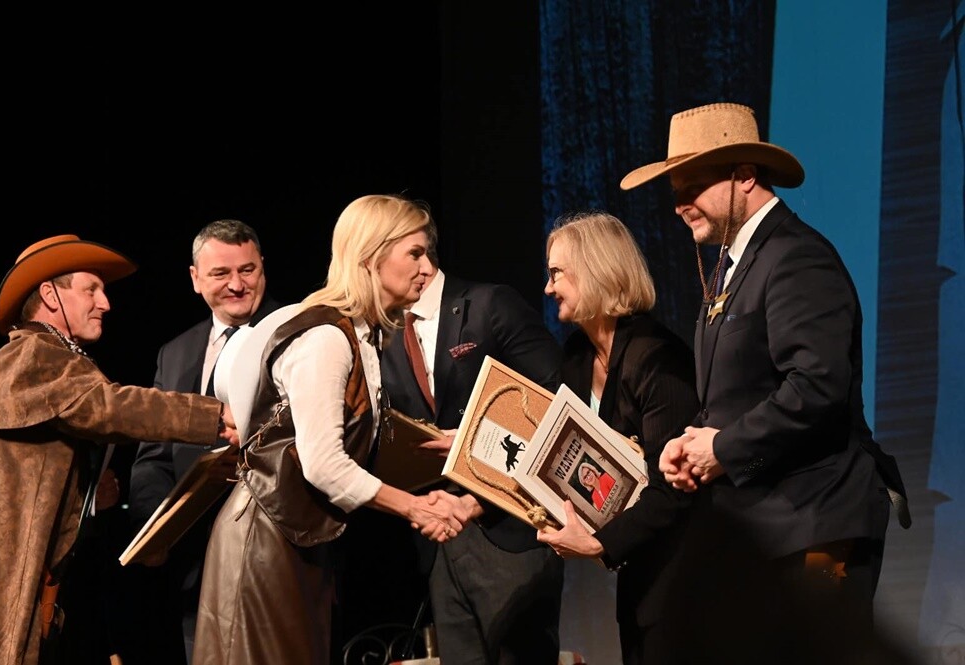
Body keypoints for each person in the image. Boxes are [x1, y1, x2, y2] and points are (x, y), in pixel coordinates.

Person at [623, 103, 909, 640]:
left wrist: (723, 448)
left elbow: (817, 387)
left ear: (745, 176)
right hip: (768, 528)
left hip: (821, 525)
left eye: (692, 187)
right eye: (675, 191)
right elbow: (737, 395)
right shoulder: (738, 265)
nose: (680, 205)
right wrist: (692, 444)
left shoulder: (797, 257)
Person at [191, 194, 476, 665]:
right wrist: (416, 508)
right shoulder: (326, 336)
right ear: (370, 256)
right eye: (415, 253)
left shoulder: (360, 335)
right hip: (266, 542)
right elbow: (324, 464)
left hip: (298, 541)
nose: (428, 268)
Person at [0, 234, 240, 665]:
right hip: (15, 594)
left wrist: (91, 499)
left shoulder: (46, 359)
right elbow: (111, 407)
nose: (105, 303)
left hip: (52, 591)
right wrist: (215, 414)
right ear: (49, 295)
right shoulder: (34, 356)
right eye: (91, 289)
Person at [379, 219, 565, 665]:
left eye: (420, 252)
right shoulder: (382, 335)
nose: (421, 263)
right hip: (440, 536)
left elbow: (555, 408)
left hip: (509, 528)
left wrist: (469, 441)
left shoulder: (489, 305)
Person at [534, 211, 700, 665]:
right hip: (639, 578)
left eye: (556, 274)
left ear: (593, 270)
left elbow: (675, 491)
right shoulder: (575, 357)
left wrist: (599, 545)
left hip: (687, 578)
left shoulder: (657, 359)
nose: (548, 288)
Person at [127, 219, 281, 664]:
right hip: (194, 567)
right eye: (220, 274)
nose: (237, 285)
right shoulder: (174, 352)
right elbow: (152, 456)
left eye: (248, 270)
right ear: (195, 279)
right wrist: (158, 529)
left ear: (263, 268)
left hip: (277, 554)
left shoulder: (297, 331)